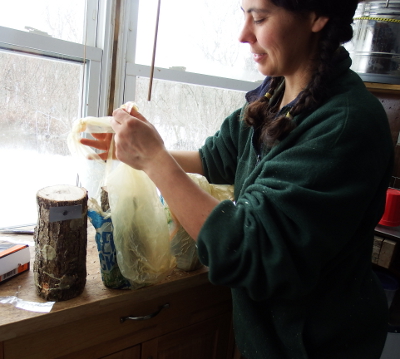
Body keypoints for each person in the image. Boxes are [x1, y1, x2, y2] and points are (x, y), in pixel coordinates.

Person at [81, 0, 394, 358]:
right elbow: (215, 157)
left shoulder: (345, 125)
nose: (243, 34)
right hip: (265, 338)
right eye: (243, 14)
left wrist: (154, 160)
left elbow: (249, 249)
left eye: (259, 18)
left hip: (314, 345)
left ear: (318, 16)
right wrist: (140, 150)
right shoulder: (276, 92)